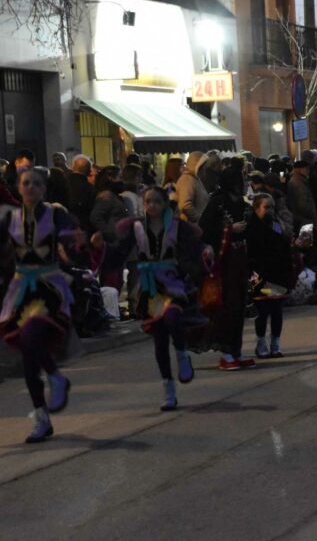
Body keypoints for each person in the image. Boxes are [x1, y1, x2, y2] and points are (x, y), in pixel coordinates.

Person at [0, 169, 82, 443]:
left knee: (30, 336)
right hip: (20, 292)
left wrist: (80, 243)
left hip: (48, 288)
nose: (30, 187)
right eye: (26, 183)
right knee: (28, 353)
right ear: (18, 187)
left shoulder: (55, 214)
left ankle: (53, 377)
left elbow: (72, 238)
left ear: (44, 188)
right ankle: (42, 415)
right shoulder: (10, 217)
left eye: (36, 184)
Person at [102, 186, 212, 410]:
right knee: (159, 338)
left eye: (156, 202)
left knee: (172, 318)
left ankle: (181, 354)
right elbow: (119, 252)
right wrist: (100, 247)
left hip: (173, 283)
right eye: (148, 202)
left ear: (165, 204)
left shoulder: (178, 226)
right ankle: (168, 388)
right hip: (149, 288)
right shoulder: (136, 228)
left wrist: (200, 260)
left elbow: (193, 248)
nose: (151, 206)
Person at [196, 165, 253, 370]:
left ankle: (235, 351)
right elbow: (204, 230)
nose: (244, 184)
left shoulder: (243, 205)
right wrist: (229, 229)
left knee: (239, 307)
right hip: (224, 264)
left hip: (240, 262)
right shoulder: (217, 203)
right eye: (240, 180)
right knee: (227, 307)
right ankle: (227, 354)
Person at [246, 193, 292, 358]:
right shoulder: (250, 227)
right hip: (258, 275)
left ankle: (275, 343)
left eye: (272, 207)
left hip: (276, 274)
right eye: (266, 207)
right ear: (256, 208)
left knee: (276, 309)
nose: (270, 210)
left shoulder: (276, 225)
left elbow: (283, 244)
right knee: (262, 310)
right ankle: (261, 343)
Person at [176, 152, 209, 223]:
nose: (205, 169)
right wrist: (198, 218)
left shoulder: (194, 179)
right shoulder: (187, 180)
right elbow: (185, 205)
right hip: (191, 226)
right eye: (204, 166)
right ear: (198, 166)